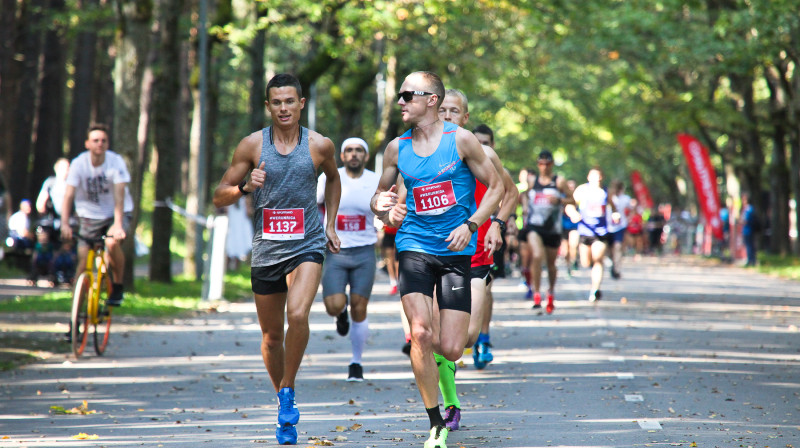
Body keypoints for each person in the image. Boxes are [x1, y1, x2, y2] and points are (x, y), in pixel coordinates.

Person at [371, 71, 502, 448]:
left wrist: (474, 223)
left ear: (431, 99)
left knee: (451, 347)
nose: (400, 102)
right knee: (421, 332)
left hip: (455, 252)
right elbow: (381, 197)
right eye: (400, 95)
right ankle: (435, 422)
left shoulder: (460, 140)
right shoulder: (397, 148)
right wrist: (384, 211)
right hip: (413, 245)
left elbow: (495, 187)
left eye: (408, 95)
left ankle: (447, 396)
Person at [211, 73, 341, 445]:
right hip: (267, 248)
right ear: (268, 106)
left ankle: (288, 389)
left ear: (301, 103)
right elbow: (219, 196)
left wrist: (330, 225)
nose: (283, 108)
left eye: (290, 101)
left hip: (307, 243)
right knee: (271, 339)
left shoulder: (319, 145)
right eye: (276, 102)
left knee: (297, 315)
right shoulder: (252, 146)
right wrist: (244, 187)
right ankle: (284, 396)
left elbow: (333, 180)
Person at [435, 90, 516, 433]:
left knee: (466, 337)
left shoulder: (485, 154)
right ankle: (450, 404)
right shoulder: (419, 153)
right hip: (436, 254)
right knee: (440, 337)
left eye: (455, 111)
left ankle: (455, 382)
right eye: (443, 110)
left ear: (465, 118)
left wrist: (496, 224)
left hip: (478, 255)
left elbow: (510, 193)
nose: (448, 115)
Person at [316, 136, 380, 382]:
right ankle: (340, 315)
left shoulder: (375, 180)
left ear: (365, 156)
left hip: (365, 251)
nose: (354, 154)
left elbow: (384, 209)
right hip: (335, 251)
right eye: (349, 150)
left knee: (360, 307)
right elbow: (315, 205)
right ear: (342, 156)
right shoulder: (329, 178)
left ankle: (356, 362)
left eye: (359, 151)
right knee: (333, 305)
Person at [61, 124, 133, 307]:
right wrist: (64, 223)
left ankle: (117, 286)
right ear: (87, 144)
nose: (99, 144)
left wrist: (117, 224)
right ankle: (75, 318)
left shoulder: (115, 162)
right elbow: (68, 195)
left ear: (108, 144)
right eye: (95, 140)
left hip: (115, 213)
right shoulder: (79, 164)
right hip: (88, 216)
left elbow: (119, 195)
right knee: (83, 262)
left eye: (103, 140)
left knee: (111, 242)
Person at [522, 150, 571, 314]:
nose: (544, 167)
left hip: (553, 228)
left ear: (552, 164)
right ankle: (536, 293)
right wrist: (524, 206)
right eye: (541, 164)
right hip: (534, 226)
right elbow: (523, 195)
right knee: (536, 256)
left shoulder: (559, 181)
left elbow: (572, 200)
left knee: (551, 264)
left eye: (547, 164)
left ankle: (550, 291)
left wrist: (560, 200)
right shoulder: (532, 180)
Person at [565, 167, 617, 302]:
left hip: (600, 232)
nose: (597, 179)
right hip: (585, 231)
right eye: (594, 176)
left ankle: (595, 289)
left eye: (599, 176)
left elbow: (614, 207)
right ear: (588, 177)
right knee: (586, 262)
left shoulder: (606, 192)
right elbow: (569, 205)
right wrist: (573, 213)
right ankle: (587, 269)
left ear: (602, 177)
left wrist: (615, 214)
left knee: (598, 260)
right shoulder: (582, 190)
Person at [36, 158, 70, 242]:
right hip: (52, 220)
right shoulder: (50, 182)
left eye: (68, 168)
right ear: (57, 169)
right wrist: (41, 210)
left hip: (70, 220)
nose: (67, 170)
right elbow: (41, 201)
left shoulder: (72, 183)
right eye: (64, 167)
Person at [606, 180, 631, 279]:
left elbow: (631, 209)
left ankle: (616, 268)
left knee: (618, 247)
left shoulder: (625, 198)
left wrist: (628, 218)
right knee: (609, 249)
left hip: (620, 226)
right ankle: (612, 262)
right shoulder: (608, 197)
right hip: (607, 226)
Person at [225, 196, 254, 271]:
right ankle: (231, 267)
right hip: (234, 226)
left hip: (238, 225)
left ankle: (233, 267)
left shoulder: (243, 199)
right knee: (231, 244)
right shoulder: (243, 198)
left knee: (236, 243)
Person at [560, 179, 580, 276]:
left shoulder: (578, 197)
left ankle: (574, 260)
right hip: (563, 224)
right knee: (566, 248)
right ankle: (568, 265)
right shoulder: (562, 197)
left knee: (574, 244)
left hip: (575, 225)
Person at [740, 192, 758, 266]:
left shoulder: (748, 209)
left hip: (749, 230)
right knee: (749, 245)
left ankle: (751, 260)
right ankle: (751, 259)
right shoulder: (746, 208)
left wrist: (740, 221)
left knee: (749, 245)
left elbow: (745, 220)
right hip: (746, 230)